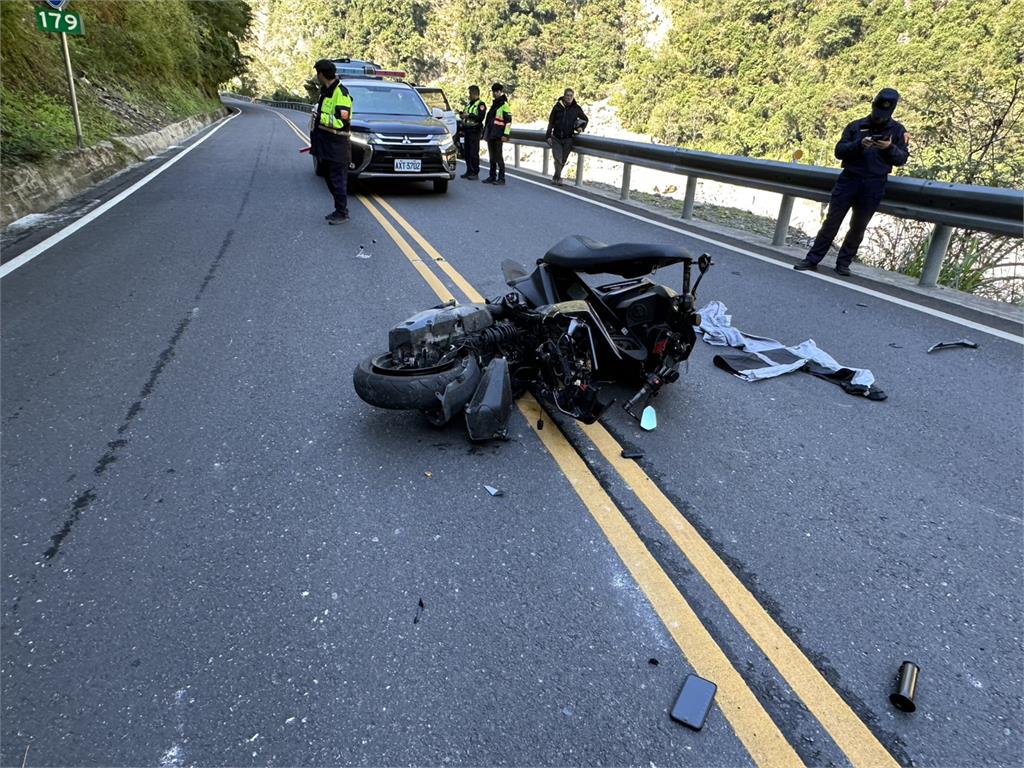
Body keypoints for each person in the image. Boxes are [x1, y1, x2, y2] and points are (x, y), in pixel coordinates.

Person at [794, 88, 909, 276]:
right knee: (832, 222)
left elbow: (901, 159)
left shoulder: (898, 131)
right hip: (849, 179)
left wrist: (889, 148)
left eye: (884, 115)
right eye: (877, 112)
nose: (879, 118)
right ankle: (812, 259)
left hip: (874, 183)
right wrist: (859, 144)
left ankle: (844, 263)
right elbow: (839, 151)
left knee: (858, 226)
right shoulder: (856, 126)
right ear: (873, 106)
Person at [310, 59, 353, 224]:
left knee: (337, 179)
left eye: (317, 73)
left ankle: (342, 212)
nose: (316, 77)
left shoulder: (341, 93)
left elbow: (342, 122)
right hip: (325, 142)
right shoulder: (325, 92)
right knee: (328, 177)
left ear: (321, 74)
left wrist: (321, 117)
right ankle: (339, 209)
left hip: (337, 144)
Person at [546, 88, 588, 185]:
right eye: (567, 95)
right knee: (558, 158)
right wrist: (548, 136)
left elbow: (585, 119)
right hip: (556, 137)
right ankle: (558, 178)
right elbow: (551, 122)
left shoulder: (576, 108)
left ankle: (556, 177)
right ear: (564, 96)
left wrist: (581, 128)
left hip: (568, 138)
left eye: (571, 96)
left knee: (563, 160)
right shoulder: (557, 107)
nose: (569, 97)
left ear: (573, 97)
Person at [482, 83, 512, 185]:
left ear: (500, 92)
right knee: (492, 157)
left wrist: (506, 135)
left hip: (499, 135)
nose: (494, 93)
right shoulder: (495, 104)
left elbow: (508, 121)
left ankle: (501, 178)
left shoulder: (504, 105)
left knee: (499, 157)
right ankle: (492, 176)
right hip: (491, 134)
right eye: (493, 91)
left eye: (496, 91)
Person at [460, 85, 487, 180]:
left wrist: (469, 115)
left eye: (470, 93)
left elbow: (480, 118)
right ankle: (469, 171)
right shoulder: (468, 104)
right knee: (466, 152)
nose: (469, 95)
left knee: (473, 152)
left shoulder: (481, 104)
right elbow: (465, 115)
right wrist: (462, 116)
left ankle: (475, 172)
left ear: (475, 93)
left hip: (475, 130)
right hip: (467, 130)